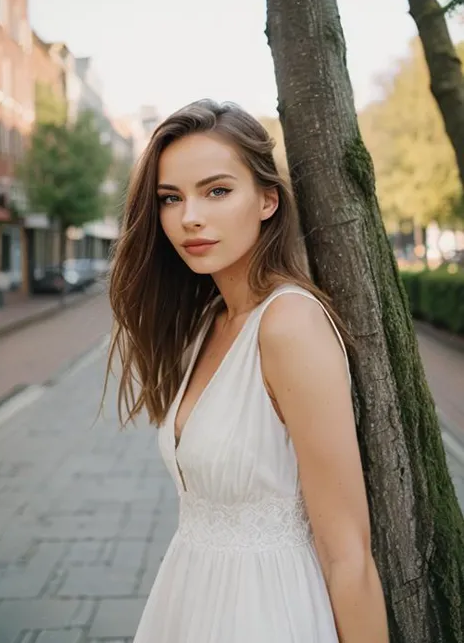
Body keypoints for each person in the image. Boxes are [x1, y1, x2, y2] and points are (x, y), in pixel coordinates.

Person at [104, 99, 389, 643]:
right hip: (189, 602)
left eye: (216, 191)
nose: (190, 216)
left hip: (268, 614)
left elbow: (349, 555)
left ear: (266, 200)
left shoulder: (289, 325)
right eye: (171, 198)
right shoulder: (208, 322)